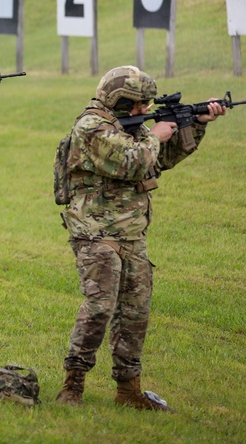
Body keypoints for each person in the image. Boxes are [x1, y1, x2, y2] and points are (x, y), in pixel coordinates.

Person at [54, 66, 226, 410]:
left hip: (131, 232)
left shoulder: (128, 127)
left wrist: (198, 123)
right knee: (100, 308)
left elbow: (158, 161)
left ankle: (128, 390)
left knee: (135, 312)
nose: (144, 112)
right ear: (119, 100)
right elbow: (133, 161)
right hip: (95, 232)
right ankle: (72, 386)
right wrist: (156, 134)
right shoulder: (91, 127)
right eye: (139, 105)